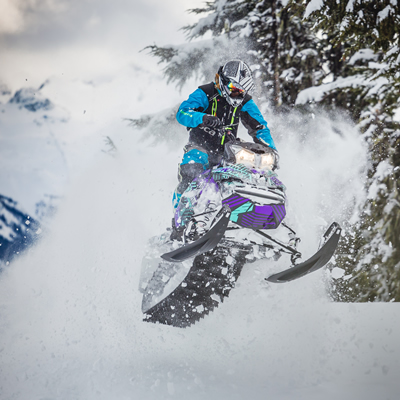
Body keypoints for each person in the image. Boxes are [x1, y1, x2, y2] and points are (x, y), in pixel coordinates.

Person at [173, 59, 277, 210]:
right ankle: (180, 221)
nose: (237, 93)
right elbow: (182, 112)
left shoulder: (245, 102)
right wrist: (202, 118)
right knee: (192, 171)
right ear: (223, 81)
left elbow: (260, 127)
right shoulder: (205, 93)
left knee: (254, 173)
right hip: (199, 148)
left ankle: (256, 211)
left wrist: (271, 151)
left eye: (241, 90)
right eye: (234, 88)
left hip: (227, 153)